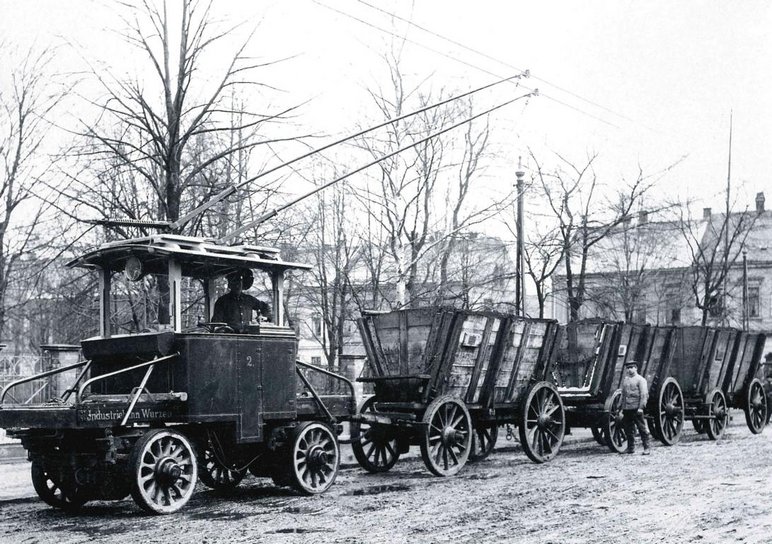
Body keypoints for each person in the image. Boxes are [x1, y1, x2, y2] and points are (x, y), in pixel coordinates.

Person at [620, 360, 650, 455]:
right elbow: (623, 394)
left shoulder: (640, 380)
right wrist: (620, 407)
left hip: (636, 408)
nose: (629, 370)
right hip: (627, 409)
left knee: (642, 429)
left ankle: (646, 448)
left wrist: (641, 408)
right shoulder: (626, 380)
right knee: (628, 429)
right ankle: (630, 448)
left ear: (636, 368)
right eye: (628, 368)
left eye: (631, 368)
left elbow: (644, 395)